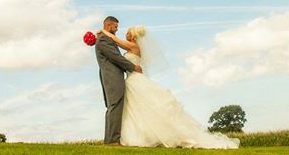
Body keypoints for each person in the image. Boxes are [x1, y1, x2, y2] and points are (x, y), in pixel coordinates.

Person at [99, 25, 240, 149]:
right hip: (131, 81)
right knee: (135, 110)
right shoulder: (133, 46)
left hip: (135, 80)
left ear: (134, 36)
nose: (126, 34)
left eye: (128, 32)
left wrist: (103, 32)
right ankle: (133, 135)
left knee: (142, 108)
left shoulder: (133, 46)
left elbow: (116, 41)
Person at [95, 16, 143, 145]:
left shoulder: (105, 38)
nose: (117, 30)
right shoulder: (104, 40)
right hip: (112, 78)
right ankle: (112, 140)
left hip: (113, 77)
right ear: (109, 25)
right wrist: (133, 67)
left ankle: (111, 139)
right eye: (115, 27)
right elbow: (116, 58)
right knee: (115, 106)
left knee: (114, 107)